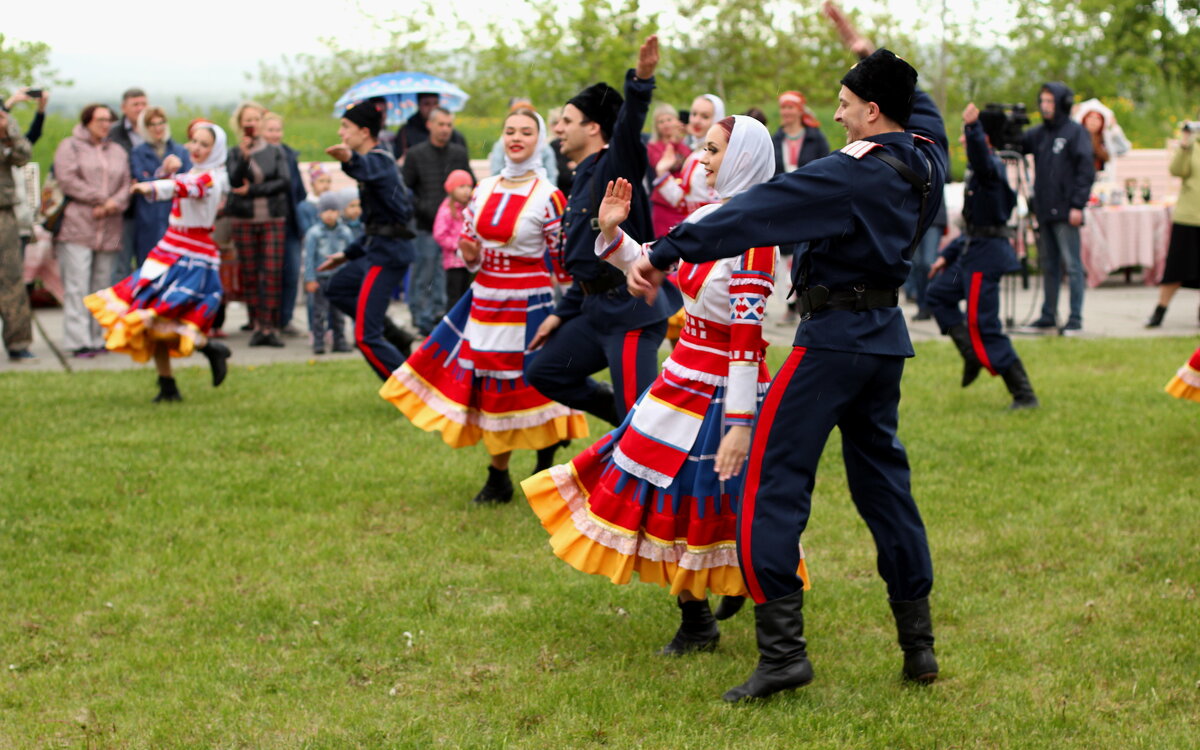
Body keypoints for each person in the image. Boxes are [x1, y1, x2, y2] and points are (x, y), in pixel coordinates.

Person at [626, 15, 948, 697]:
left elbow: (754, 208)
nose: (837, 112)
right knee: (887, 491)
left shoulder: (848, 173)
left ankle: (782, 655)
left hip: (831, 343)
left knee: (769, 485)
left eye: (845, 102)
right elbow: (925, 113)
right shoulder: (926, 157)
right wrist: (865, 48)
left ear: (873, 109)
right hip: (885, 341)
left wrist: (663, 249)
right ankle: (918, 645)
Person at [523, 114, 810, 656]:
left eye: (714, 150)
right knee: (662, 492)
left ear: (745, 159)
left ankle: (725, 601)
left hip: (728, 386)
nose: (701, 158)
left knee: (720, 502)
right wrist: (611, 231)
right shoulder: (708, 217)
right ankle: (697, 617)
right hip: (681, 375)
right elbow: (651, 263)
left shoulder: (755, 242)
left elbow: (748, 339)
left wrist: (742, 423)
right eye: (703, 148)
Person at [380, 108, 588, 504]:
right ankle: (499, 477)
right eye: (510, 130)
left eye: (526, 132)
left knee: (537, 384)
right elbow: (471, 247)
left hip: (530, 303)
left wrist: (571, 311)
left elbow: (562, 263)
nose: (516, 137)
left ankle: (542, 462)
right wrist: (471, 254)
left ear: (539, 140)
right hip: (486, 299)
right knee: (493, 388)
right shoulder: (485, 186)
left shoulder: (550, 196)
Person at [525, 35, 683, 428]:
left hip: (629, 312)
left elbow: (629, 126)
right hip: (593, 311)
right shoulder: (580, 177)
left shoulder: (617, 163)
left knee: (642, 421)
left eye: (566, 121)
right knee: (544, 371)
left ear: (593, 127)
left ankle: (642, 438)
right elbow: (585, 264)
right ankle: (624, 417)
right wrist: (560, 316)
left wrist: (641, 81)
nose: (558, 128)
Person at [84, 120, 231, 401]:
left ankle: (209, 349)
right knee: (147, 314)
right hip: (169, 248)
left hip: (193, 256)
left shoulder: (213, 177)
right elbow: (180, 183)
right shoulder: (193, 172)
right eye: (194, 142)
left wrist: (152, 186)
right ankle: (168, 385)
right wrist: (166, 174)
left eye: (204, 144)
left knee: (163, 313)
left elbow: (188, 188)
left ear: (216, 149)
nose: (196, 148)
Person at [926, 102, 1038, 409]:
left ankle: (1023, 393)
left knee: (983, 325)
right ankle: (970, 355)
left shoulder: (990, 166)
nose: (962, 139)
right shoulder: (984, 168)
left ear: (984, 137)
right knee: (937, 294)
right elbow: (975, 225)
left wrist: (973, 127)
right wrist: (947, 256)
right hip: (971, 251)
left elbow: (978, 153)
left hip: (985, 257)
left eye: (967, 134)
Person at [318, 100, 417, 380]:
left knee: (365, 336)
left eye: (345, 127)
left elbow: (363, 166)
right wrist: (347, 255)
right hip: (377, 249)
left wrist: (348, 158)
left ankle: (411, 390)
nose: (341, 132)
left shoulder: (378, 161)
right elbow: (375, 224)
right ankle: (395, 335)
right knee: (338, 286)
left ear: (364, 132)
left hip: (388, 255)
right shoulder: (377, 162)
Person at [54, 103, 132, 357]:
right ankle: (78, 340)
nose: (105, 124)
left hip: (109, 226)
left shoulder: (118, 151)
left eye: (108, 120)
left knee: (101, 286)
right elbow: (67, 179)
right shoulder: (71, 146)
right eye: (99, 119)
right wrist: (99, 198)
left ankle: (98, 337)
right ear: (87, 121)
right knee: (77, 284)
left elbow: (126, 184)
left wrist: (112, 204)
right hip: (78, 225)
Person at [1020, 82, 1094, 336]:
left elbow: (1086, 170)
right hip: (1044, 209)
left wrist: (1077, 205)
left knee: (1072, 266)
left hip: (1066, 211)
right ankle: (1048, 315)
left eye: (1050, 102)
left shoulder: (1076, 133)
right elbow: (1016, 144)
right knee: (1049, 265)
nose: (1045, 107)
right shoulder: (1039, 134)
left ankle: (1075, 318)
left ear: (1062, 103)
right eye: (1042, 101)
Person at [402, 106, 474, 336]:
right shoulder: (416, 154)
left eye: (449, 125)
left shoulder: (458, 153)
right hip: (425, 226)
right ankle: (421, 317)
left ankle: (441, 316)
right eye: (440, 124)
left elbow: (469, 181)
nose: (445, 129)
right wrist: (423, 209)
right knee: (425, 272)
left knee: (450, 277)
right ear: (429, 125)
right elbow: (405, 189)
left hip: (455, 227)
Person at [226, 101, 292, 347]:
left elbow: (283, 182)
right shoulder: (234, 152)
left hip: (272, 219)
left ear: (261, 122)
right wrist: (243, 157)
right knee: (250, 272)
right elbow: (233, 181)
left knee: (272, 272)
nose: (251, 123)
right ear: (240, 124)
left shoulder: (275, 151)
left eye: (255, 119)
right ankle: (255, 324)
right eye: (247, 119)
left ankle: (269, 325)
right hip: (243, 219)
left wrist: (252, 190)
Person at [1145, 124, 1200, 328]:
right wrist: (1185, 143)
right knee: (1176, 267)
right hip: (1188, 217)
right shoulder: (1192, 147)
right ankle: (1160, 310)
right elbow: (1176, 170)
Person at [260, 112, 309, 335]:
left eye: (277, 130)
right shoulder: (256, 156)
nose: (274, 134)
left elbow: (299, 191)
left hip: (289, 222)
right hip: (267, 221)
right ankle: (266, 322)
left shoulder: (289, 155)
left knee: (290, 272)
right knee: (269, 274)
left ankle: (285, 318)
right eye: (270, 130)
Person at [130, 106, 192, 266]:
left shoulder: (180, 151)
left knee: (176, 265)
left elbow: (188, 182)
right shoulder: (138, 152)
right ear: (145, 128)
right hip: (148, 217)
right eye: (152, 124)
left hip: (175, 216)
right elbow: (141, 182)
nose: (158, 128)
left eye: (161, 123)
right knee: (149, 264)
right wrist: (163, 172)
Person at [1, 103, 34, 360]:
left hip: (3, 213)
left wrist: (8, 134)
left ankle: (18, 343)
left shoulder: (5, 125)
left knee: (11, 278)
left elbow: (23, 157)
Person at [106, 88, 148, 284]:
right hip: (123, 209)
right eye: (135, 104)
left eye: (143, 104)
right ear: (124, 108)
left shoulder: (153, 129)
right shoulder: (113, 133)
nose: (140, 109)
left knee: (148, 264)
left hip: (150, 207)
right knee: (120, 265)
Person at [303, 192, 353, 355]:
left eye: (333, 210)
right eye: (326, 210)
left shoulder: (345, 232)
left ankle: (339, 340)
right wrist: (310, 278)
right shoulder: (314, 233)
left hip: (339, 279)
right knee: (319, 312)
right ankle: (318, 342)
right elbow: (309, 258)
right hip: (321, 279)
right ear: (319, 213)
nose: (330, 214)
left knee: (338, 313)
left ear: (339, 212)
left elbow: (351, 256)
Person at [488, 99, 559, 185]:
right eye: (510, 132)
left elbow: (551, 175)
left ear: (539, 137)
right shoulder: (485, 188)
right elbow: (496, 171)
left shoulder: (548, 193)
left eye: (526, 133)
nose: (516, 138)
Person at [645, 103, 688, 239]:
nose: (665, 124)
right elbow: (661, 164)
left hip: (683, 201)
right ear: (656, 126)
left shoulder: (684, 145)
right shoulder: (653, 146)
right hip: (663, 204)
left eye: (669, 119)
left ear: (676, 121)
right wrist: (673, 142)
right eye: (660, 121)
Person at [434, 168, 474, 310]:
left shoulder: (470, 208)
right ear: (452, 189)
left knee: (466, 295)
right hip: (453, 262)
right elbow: (439, 234)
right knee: (454, 297)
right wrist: (458, 246)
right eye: (461, 186)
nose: (466, 190)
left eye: (469, 186)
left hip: (468, 262)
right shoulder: (446, 209)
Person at [392, 93, 468, 162]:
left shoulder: (454, 136)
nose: (432, 108)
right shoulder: (405, 132)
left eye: (435, 103)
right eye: (426, 104)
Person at [772, 90, 830, 175]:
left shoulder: (815, 137)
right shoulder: (775, 139)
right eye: (783, 108)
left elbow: (825, 166)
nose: (786, 112)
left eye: (790, 107)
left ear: (800, 111)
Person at [1072, 99, 1130, 181]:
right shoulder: (1075, 138)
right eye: (1090, 117)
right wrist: (1071, 116)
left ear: (1102, 122)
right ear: (1084, 119)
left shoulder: (1106, 140)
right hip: (1079, 183)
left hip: (1103, 186)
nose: (1093, 121)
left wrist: (1115, 127)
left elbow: (1124, 149)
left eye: (1098, 118)